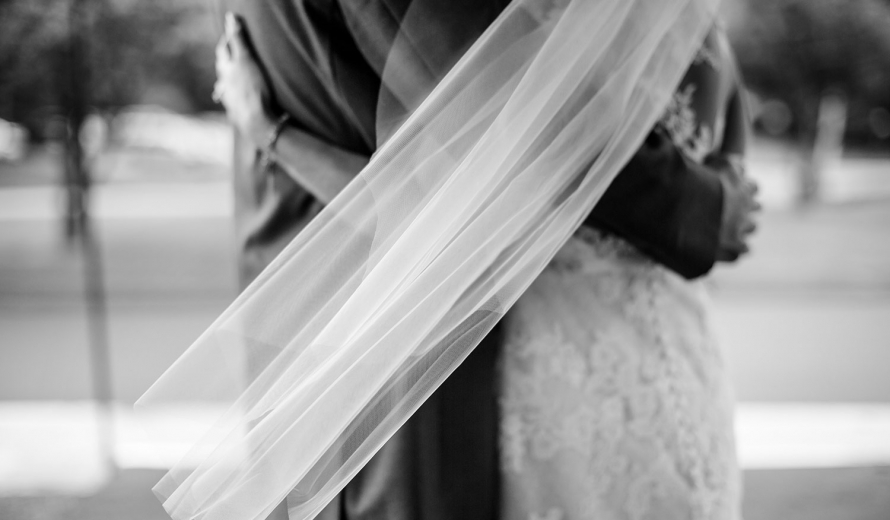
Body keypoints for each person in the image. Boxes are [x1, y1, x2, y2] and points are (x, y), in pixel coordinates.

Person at [206, 2, 758, 519]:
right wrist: (711, 211)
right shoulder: (695, 23)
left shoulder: (551, 26)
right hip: (667, 345)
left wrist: (272, 137)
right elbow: (729, 180)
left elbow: (507, 139)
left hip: (539, 347)